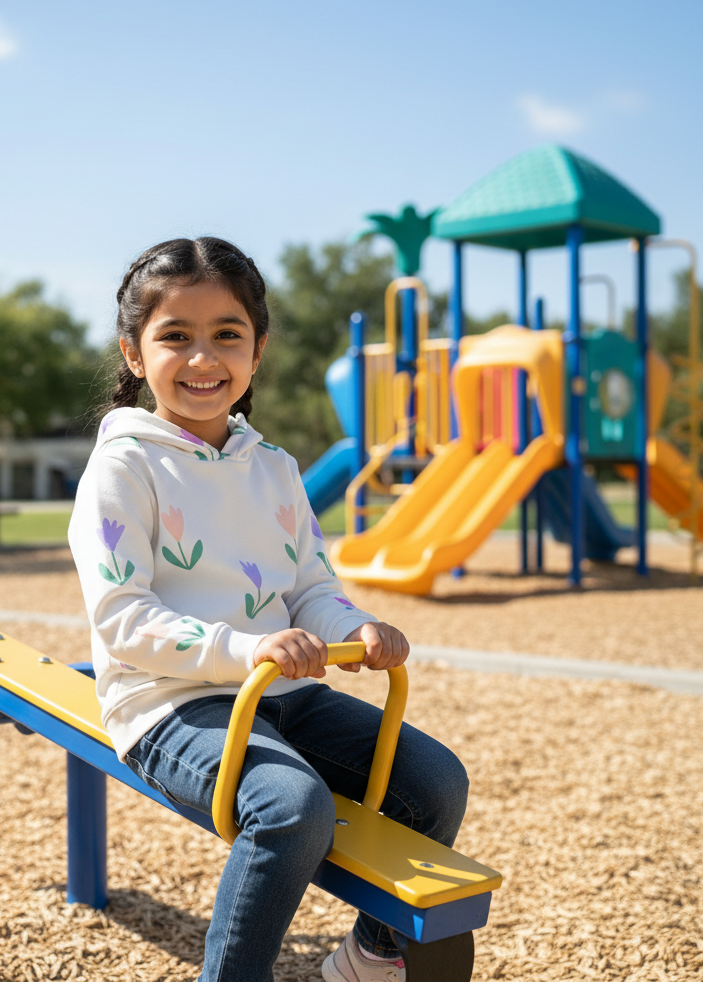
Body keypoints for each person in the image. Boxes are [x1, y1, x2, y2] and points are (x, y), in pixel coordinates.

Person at [68, 237, 468, 982]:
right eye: (174, 337)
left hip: (279, 692)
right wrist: (244, 648)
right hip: (171, 703)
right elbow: (123, 620)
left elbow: (311, 586)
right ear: (133, 352)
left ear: (256, 351)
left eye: (227, 335)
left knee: (435, 782)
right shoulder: (124, 467)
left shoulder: (275, 468)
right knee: (292, 807)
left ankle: (371, 957)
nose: (202, 359)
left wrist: (355, 629)